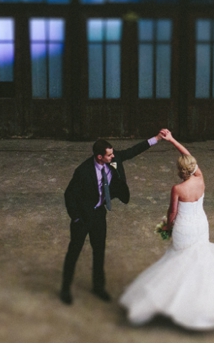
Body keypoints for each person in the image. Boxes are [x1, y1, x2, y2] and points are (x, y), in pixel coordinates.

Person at [119, 131, 214, 330]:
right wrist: (173, 140)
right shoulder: (200, 178)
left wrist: (167, 227)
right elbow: (189, 156)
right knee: (199, 261)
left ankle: (178, 302)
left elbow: (172, 213)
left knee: (179, 262)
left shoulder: (177, 188)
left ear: (180, 170)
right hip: (201, 225)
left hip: (184, 227)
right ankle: (201, 300)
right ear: (193, 168)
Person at [60, 131, 165, 305]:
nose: (113, 156)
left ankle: (98, 287)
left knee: (99, 250)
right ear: (99, 157)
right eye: (109, 155)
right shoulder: (83, 171)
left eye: (113, 153)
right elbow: (69, 195)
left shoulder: (114, 160)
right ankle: (65, 289)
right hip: (84, 216)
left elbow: (134, 150)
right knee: (74, 252)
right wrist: (76, 217)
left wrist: (157, 139)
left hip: (100, 214)